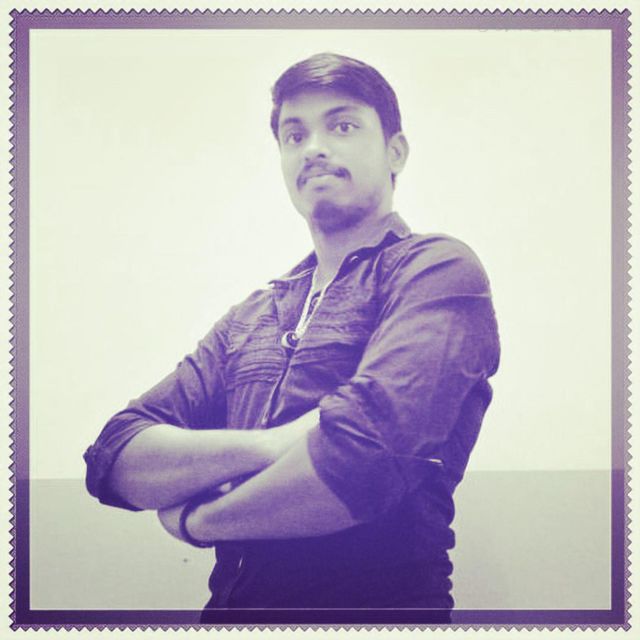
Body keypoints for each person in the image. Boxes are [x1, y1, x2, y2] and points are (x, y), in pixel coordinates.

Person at [83, 52, 500, 619]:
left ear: (395, 152)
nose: (314, 148)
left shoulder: (435, 271)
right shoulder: (254, 315)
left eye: (343, 126)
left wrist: (198, 521)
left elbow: (363, 462)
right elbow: (115, 456)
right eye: (294, 134)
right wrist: (275, 444)